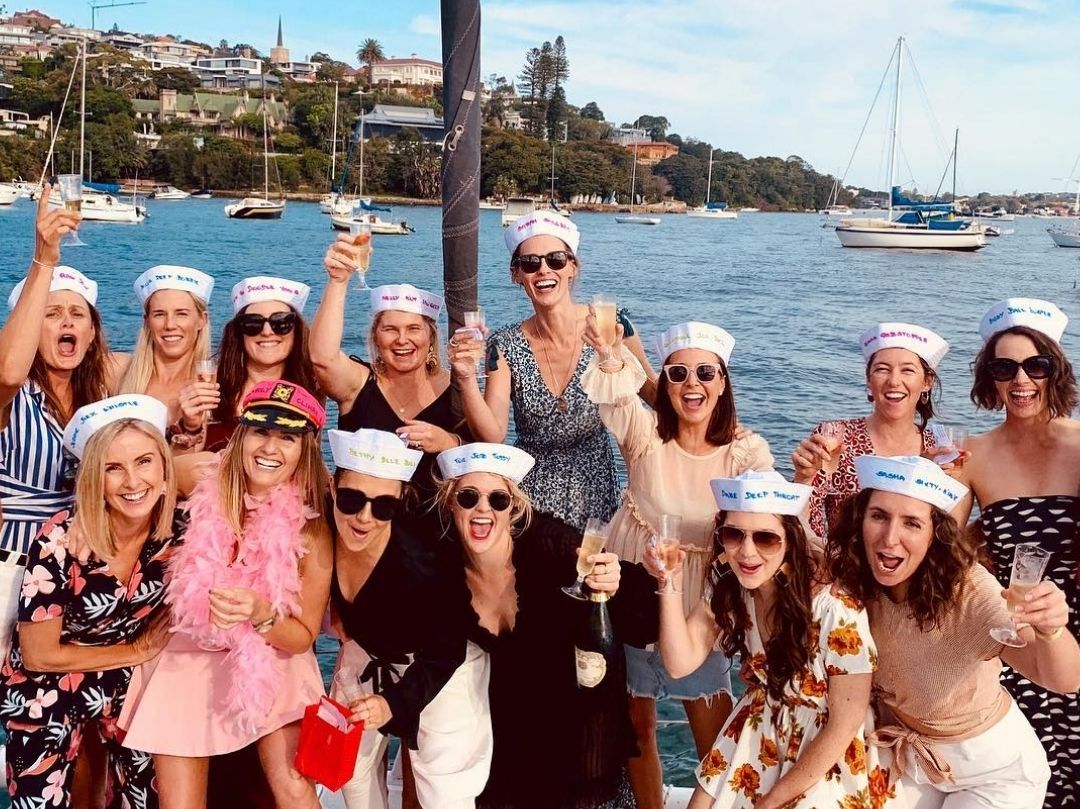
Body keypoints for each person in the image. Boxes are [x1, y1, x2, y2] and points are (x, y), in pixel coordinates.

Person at [581, 320, 773, 808]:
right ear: (663, 383)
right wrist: (608, 354)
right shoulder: (647, 435)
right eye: (678, 373)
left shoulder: (745, 451)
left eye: (706, 373)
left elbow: (771, 518)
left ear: (723, 382)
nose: (693, 384)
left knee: (711, 723)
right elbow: (619, 403)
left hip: (703, 602)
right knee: (638, 726)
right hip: (634, 584)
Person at [118, 380, 333, 809]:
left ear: (303, 451)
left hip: (272, 660)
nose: (270, 448)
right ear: (240, 436)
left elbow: (303, 636)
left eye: (288, 438)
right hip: (189, 656)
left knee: (292, 787)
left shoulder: (312, 529)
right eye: (260, 432)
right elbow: (127, 488)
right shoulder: (195, 489)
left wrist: (261, 614)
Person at [828, 454, 1080, 808]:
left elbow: (1063, 679)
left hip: (994, 770)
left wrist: (1052, 631)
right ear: (860, 521)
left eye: (912, 523)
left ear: (935, 536)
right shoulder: (855, 577)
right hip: (912, 760)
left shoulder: (969, 593)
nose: (889, 538)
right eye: (879, 516)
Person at [654, 470, 899, 809]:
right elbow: (679, 664)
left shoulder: (835, 609)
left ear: (790, 540)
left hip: (825, 745)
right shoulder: (730, 584)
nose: (747, 552)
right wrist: (670, 582)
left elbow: (845, 723)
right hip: (759, 725)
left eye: (765, 539)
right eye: (734, 535)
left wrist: (772, 801)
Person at [434, 441, 657, 808]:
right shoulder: (442, 566)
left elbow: (642, 621)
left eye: (498, 500)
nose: (482, 510)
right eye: (468, 497)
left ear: (514, 507)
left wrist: (614, 581)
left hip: (572, 731)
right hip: (506, 738)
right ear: (450, 502)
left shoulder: (552, 547)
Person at [1, 394, 178, 807]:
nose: (132, 482)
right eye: (112, 468)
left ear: (167, 472)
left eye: (144, 462)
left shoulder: (183, 536)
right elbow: (38, 655)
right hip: (45, 690)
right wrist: (135, 649)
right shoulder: (59, 543)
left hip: (125, 689)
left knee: (146, 797)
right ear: (95, 480)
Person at [448, 210, 655, 530]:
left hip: (596, 497)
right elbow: (493, 432)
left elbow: (654, 394)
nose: (544, 269)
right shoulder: (504, 344)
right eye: (530, 263)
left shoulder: (609, 323)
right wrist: (464, 377)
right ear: (516, 274)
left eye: (556, 260)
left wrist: (702, 393)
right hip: (531, 504)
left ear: (572, 267)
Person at [949, 298, 1079, 807]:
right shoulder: (972, 455)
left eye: (1035, 365)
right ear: (991, 377)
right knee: (1031, 777)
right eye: (1005, 367)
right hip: (1022, 636)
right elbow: (943, 549)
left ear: (1055, 369)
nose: (1021, 380)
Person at [326, 427, 491, 809]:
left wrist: (394, 703)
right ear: (332, 490)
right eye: (351, 499)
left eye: (383, 506)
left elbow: (448, 650)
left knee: (444, 790)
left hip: (443, 664)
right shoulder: (321, 535)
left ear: (399, 502)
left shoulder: (423, 567)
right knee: (350, 769)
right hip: (371, 653)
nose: (364, 518)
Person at [0, 186, 112, 660]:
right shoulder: (12, 395)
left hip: (77, 572)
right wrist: (44, 261)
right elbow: (8, 369)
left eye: (75, 314)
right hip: (11, 568)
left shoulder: (104, 397)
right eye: (50, 313)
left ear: (90, 331)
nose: (65, 321)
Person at [311, 240, 463, 495]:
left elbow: (482, 450)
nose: (402, 339)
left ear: (431, 337)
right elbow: (322, 359)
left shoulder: (458, 386)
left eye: (413, 329)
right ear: (376, 337)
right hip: (361, 524)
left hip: (432, 528)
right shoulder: (359, 384)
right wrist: (338, 282)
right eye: (390, 329)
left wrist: (447, 442)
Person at [792, 322, 945, 537]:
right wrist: (803, 478)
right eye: (882, 369)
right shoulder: (835, 436)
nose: (894, 381)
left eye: (908, 370)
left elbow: (943, 533)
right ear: (868, 380)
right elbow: (807, 524)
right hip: (840, 567)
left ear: (926, 382)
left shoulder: (938, 447)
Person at [172, 276, 318, 454]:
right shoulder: (211, 387)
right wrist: (191, 427)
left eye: (281, 323)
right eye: (253, 323)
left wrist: (338, 281)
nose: (266, 332)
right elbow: (179, 466)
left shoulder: (313, 384)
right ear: (239, 333)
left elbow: (331, 357)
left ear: (297, 331)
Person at [115, 265, 214, 425]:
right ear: (147, 322)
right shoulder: (119, 372)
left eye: (181, 314)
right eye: (159, 314)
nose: (170, 325)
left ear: (202, 320)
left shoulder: (216, 384)